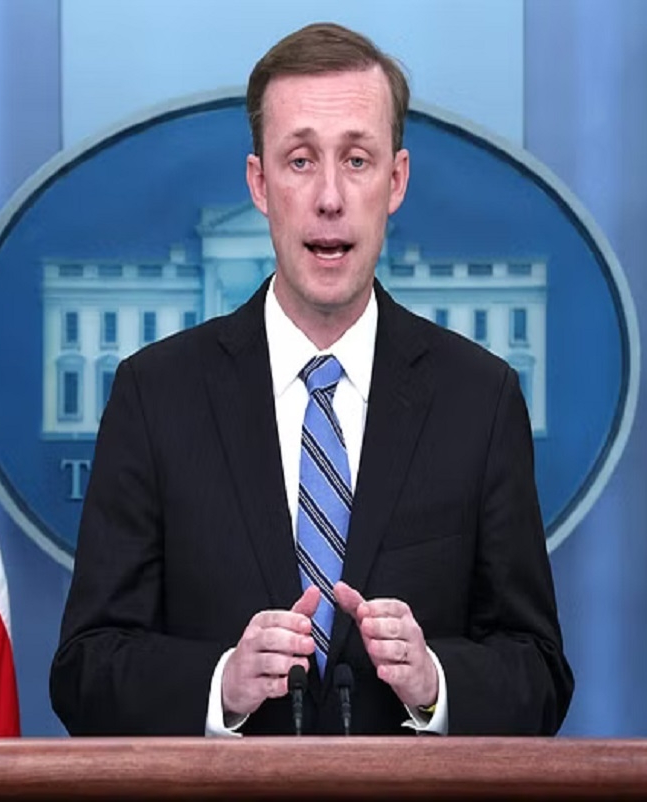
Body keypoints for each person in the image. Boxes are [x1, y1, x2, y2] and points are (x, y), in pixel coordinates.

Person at [50, 21, 572, 736]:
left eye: (357, 160)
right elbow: (84, 670)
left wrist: (435, 682)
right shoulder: (155, 396)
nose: (330, 197)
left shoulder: (479, 401)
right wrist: (222, 684)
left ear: (396, 181)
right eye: (300, 161)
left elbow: (539, 673)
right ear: (259, 184)